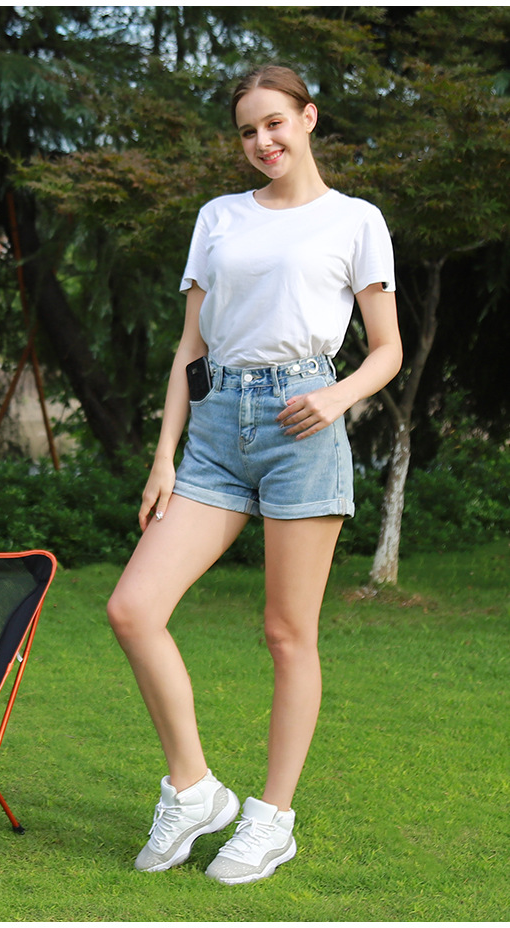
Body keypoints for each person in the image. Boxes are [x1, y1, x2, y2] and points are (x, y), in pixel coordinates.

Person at [106, 65, 402, 885]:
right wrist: (164, 454)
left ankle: (271, 819)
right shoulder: (219, 217)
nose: (262, 141)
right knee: (133, 608)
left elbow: (387, 349)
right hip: (214, 431)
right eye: (247, 130)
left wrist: (335, 396)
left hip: (302, 426)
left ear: (308, 119)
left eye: (275, 122)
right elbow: (191, 346)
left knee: (286, 633)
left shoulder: (355, 220)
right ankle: (195, 790)